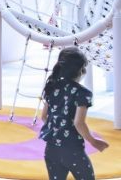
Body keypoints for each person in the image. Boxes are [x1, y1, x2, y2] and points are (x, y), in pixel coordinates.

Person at [39, 46, 109, 180]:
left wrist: (58, 129)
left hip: (51, 150)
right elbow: (79, 123)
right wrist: (93, 141)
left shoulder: (52, 86)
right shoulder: (83, 93)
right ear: (81, 70)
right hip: (73, 151)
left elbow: (44, 117)